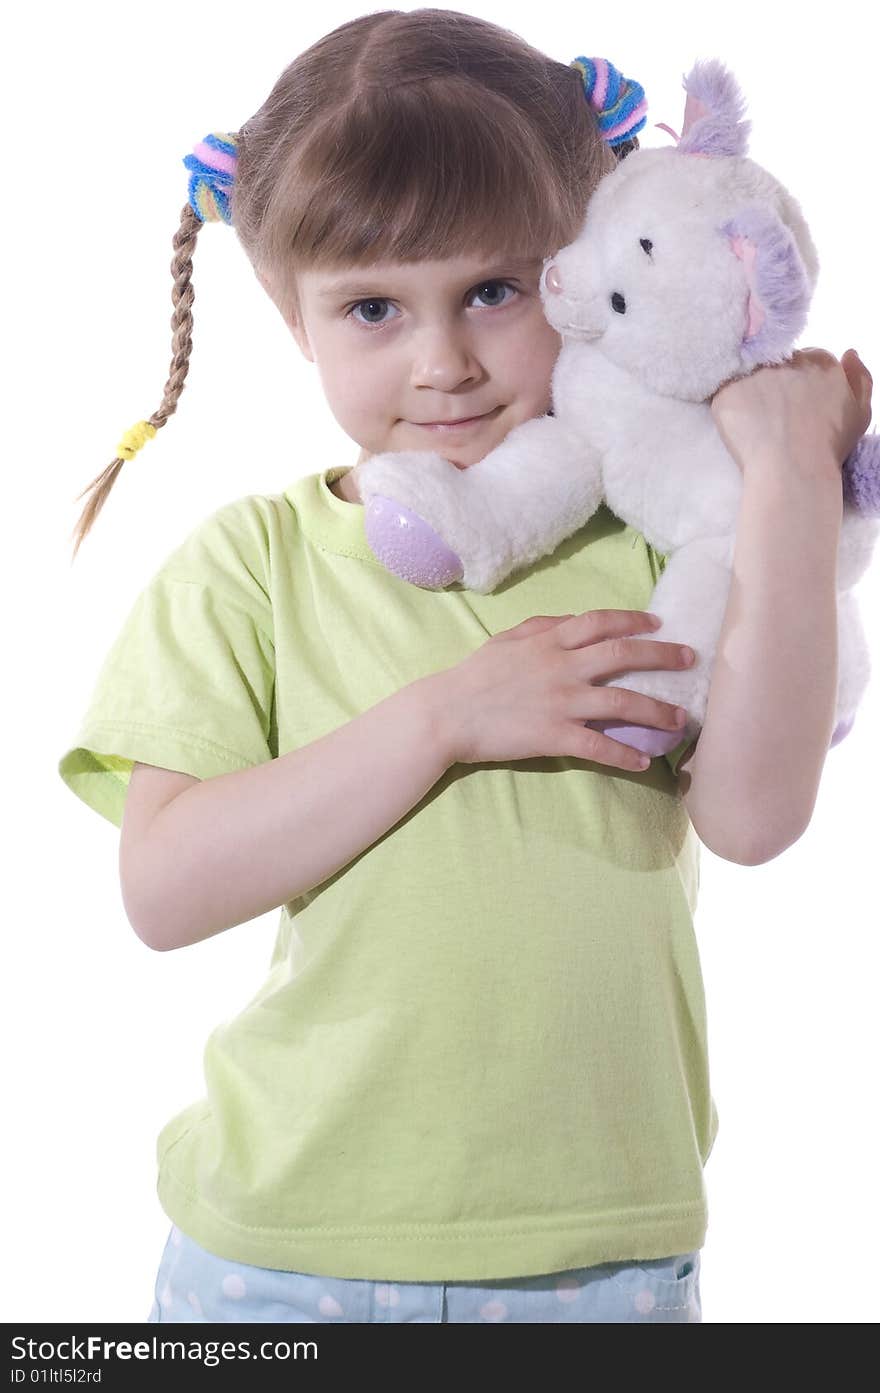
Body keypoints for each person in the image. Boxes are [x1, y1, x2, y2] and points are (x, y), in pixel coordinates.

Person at [57, 9, 873, 1325]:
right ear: (290, 310)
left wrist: (784, 471)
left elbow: (757, 815)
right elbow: (162, 887)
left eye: (492, 292)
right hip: (279, 1243)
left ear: (581, 264)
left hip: (597, 1253)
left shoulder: (655, 543)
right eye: (374, 308)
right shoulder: (252, 561)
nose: (442, 362)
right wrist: (447, 717)